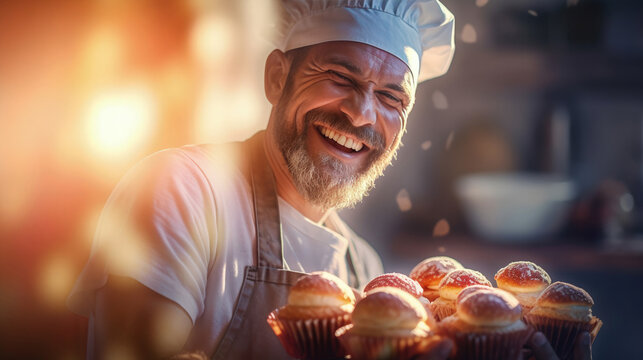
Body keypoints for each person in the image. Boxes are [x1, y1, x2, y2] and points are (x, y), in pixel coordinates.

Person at [67, 1, 592, 359]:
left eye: (392, 98)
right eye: (340, 77)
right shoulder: (185, 189)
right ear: (277, 78)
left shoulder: (363, 268)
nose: (363, 115)